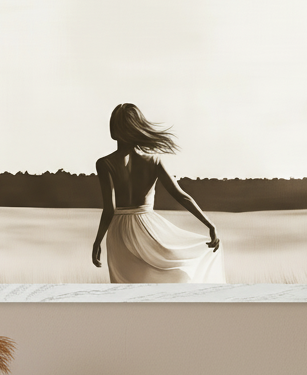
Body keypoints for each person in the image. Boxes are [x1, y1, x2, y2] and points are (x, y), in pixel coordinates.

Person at [92, 103, 226, 284]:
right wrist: (209, 225)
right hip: (147, 227)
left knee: (124, 290)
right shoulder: (153, 161)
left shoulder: (105, 163)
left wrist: (97, 241)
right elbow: (180, 195)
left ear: (114, 128)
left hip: (119, 232)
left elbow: (109, 209)